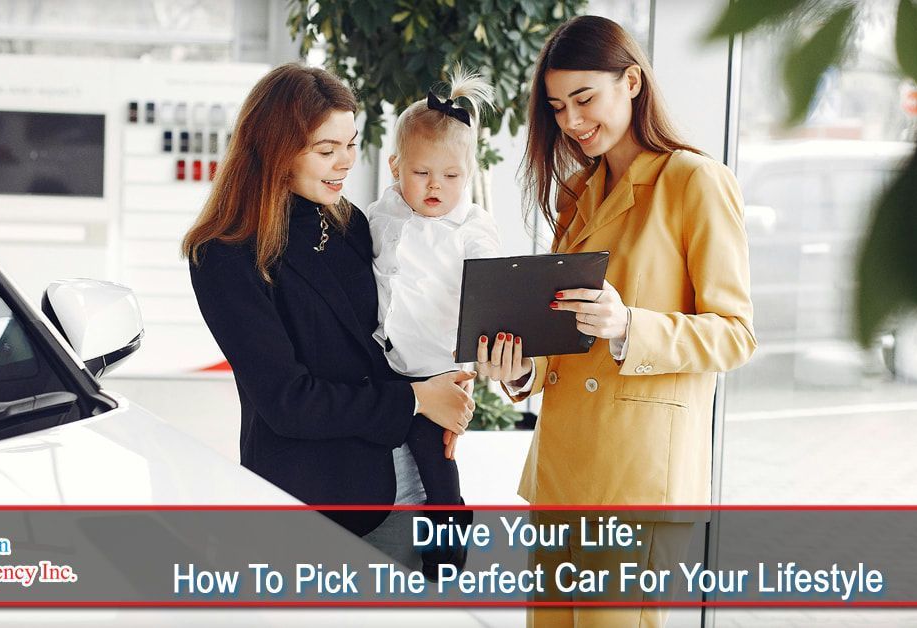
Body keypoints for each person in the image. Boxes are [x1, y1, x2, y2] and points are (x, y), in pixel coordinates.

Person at [477, 16, 757, 627]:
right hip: (562, 472)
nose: (573, 123)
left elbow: (736, 333)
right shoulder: (579, 192)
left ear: (631, 82)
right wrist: (521, 370)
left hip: (636, 479)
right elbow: (562, 331)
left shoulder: (694, 182)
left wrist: (629, 324)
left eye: (585, 98)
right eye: (557, 107)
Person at [182, 63, 476, 570]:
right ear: (276, 150)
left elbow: (391, 340)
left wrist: (446, 383)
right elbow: (287, 401)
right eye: (326, 150)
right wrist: (417, 399)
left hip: (413, 490)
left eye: (351, 144)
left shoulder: (347, 222)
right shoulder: (224, 255)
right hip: (316, 507)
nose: (343, 164)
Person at [363, 67, 498, 578]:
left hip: (438, 368)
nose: (436, 187)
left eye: (451, 176)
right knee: (387, 447)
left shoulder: (470, 225)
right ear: (396, 167)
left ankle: (450, 534)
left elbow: (490, 277)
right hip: (384, 361)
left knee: (435, 458)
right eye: (422, 174)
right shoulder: (382, 213)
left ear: (469, 174)